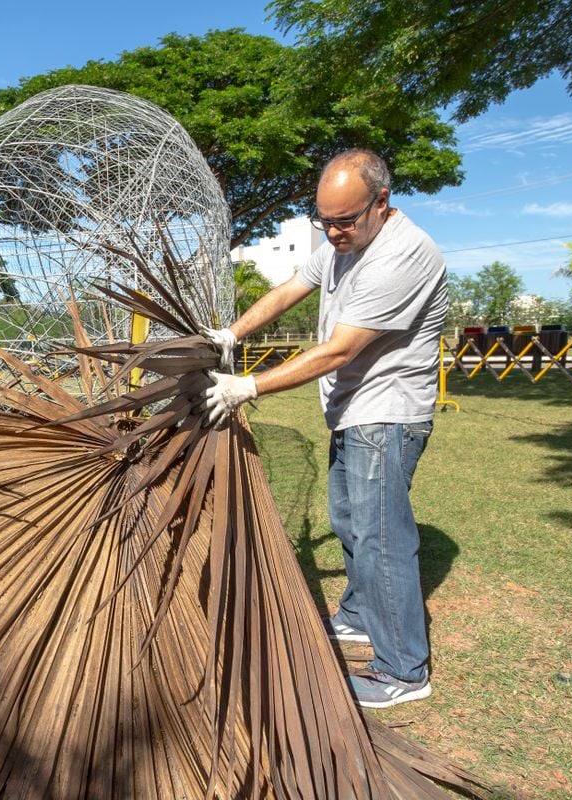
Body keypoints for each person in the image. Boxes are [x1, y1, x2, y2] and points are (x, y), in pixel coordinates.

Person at [201, 148, 448, 709]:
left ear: (381, 203)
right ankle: (361, 616)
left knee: (382, 539)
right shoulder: (342, 243)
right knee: (350, 521)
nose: (332, 232)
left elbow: (339, 349)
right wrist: (231, 334)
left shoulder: (402, 255)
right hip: (352, 410)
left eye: (344, 220)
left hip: (385, 414)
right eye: (323, 219)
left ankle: (404, 670)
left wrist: (249, 386)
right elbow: (292, 287)